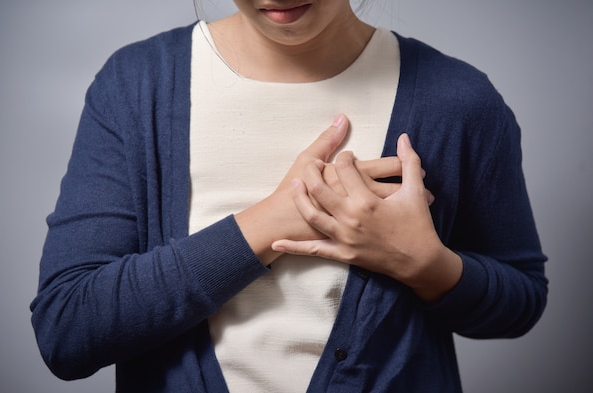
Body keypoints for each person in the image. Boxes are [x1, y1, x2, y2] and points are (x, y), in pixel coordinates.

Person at [30, 1, 548, 392]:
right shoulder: (136, 84)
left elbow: (520, 300)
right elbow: (68, 329)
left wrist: (424, 263)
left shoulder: (457, 99)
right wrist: (274, 221)